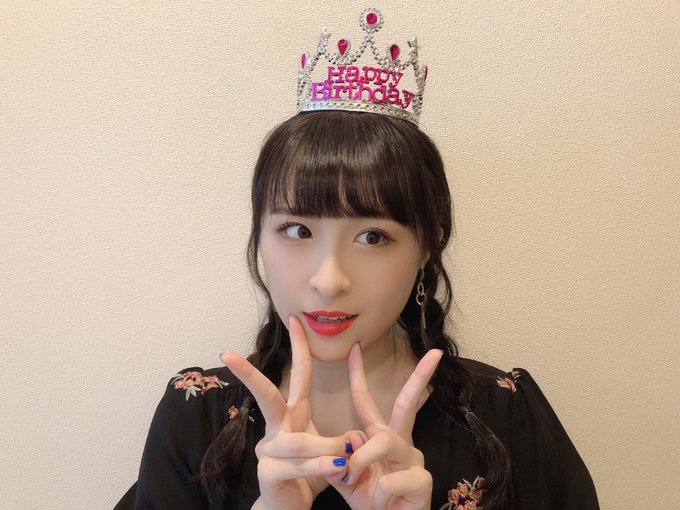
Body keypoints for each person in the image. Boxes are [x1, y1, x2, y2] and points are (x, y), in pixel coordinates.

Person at [116, 8, 599, 510]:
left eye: (372, 236)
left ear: (427, 246)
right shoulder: (196, 417)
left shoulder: (505, 417)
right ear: (260, 237)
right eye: (297, 230)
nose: (329, 280)